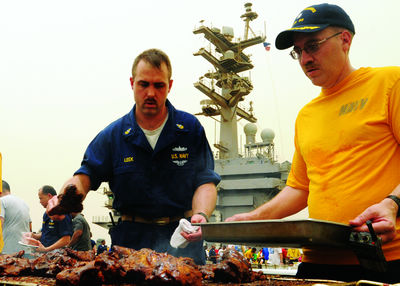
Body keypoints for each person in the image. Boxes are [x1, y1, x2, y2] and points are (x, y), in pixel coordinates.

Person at [226, 3, 400, 283]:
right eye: (299, 51)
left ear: (345, 40)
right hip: (316, 261)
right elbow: (299, 187)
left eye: (313, 45)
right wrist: (252, 218)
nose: (305, 58)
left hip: (386, 258)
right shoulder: (306, 115)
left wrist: (393, 203)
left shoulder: (389, 84)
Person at [53, 48, 220, 265]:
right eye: (144, 84)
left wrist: (201, 216)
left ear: (169, 86)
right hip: (130, 242)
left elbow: (205, 182)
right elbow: (84, 176)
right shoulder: (114, 136)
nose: (151, 93)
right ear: (132, 83)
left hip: (182, 239)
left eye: (159, 85)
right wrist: (65, 197)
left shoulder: (190, 130)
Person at [31, 185, 73, 252]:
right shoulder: (46, 214)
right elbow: (46, 233)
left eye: (41, 198)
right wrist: (34, 236)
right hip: (45, 254)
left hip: (56, 255)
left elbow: (66, 239)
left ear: (49, 196)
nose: (40, 201)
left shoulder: (61, 212)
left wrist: (47, 249)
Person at [0, 180, 32, 254]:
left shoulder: (1, 201)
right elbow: (30, 227)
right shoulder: (23, 203)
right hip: (26, 250)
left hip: (9, 251)